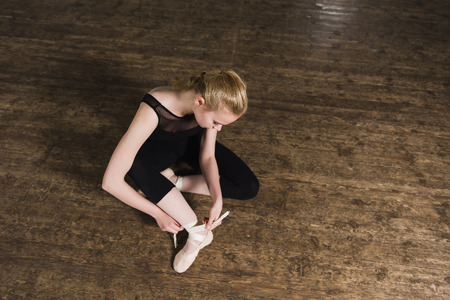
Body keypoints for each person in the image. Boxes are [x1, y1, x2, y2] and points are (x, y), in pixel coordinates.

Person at [102, 70, 259, 273]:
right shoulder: (154, 107)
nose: (218, 129)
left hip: (187, 145)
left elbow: (208, 157)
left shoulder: (211, 101)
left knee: (248, 187)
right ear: (200, 102)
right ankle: (197, 233)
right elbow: (110, 182)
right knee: (133, 163)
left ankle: (173, 182)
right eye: (216, 123)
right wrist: (158, 214)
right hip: (155, 154)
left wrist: (217, 198)